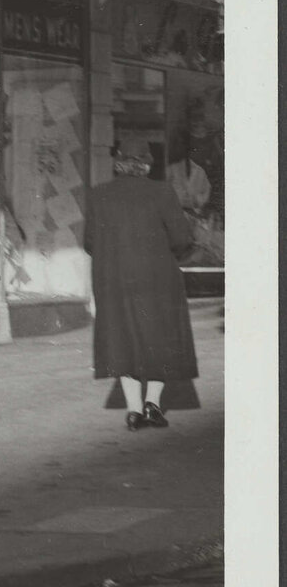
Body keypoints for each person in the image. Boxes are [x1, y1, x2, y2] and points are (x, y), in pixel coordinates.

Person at [86, 135, 198, 431]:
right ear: (147, 164)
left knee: (123, 338)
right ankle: (153, 404)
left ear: (118, 162)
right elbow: (182, 239)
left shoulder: (99, 195)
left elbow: (89, 243)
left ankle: (134, 411)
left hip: (114, 279)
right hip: (157, 278)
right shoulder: (163, 192)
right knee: (159, 336)